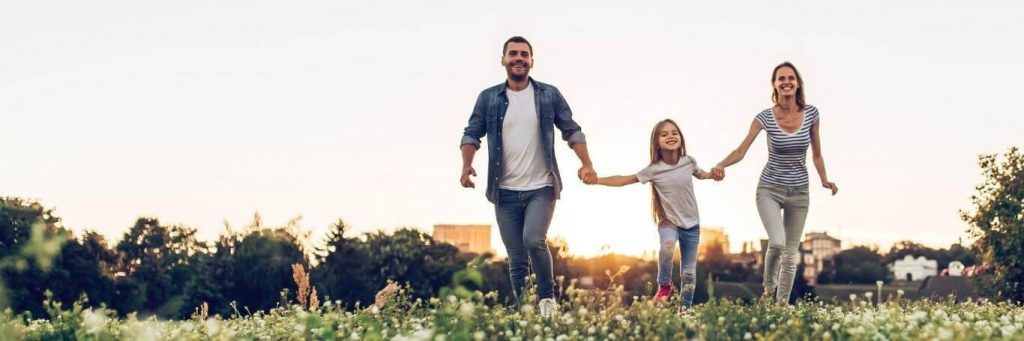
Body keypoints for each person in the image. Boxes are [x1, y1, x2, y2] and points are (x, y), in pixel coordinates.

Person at [459, 36, 597, 318]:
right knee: (516, 259)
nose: (518, 58)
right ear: (503, 60)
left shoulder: (549, 95)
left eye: (524, 54)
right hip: (504, 191)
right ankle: (524, 312)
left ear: (532, 61)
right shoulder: (488, 98)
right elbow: (471, 133)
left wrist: (586, 164)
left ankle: (547, 300)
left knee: (534, 239)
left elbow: (571, 130)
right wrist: (466, 165)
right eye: (513, 54)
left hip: (541, 186)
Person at [711, 62, 838, 304]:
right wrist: (721, 165)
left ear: (798, 83)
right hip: (770, 189)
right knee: (777, 242)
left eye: (791, 77)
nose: (786, 81)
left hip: (799, 193)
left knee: (791, 255)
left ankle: (780, 307)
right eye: (781, 78)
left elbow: (817, 154)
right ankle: (768, 289)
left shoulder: (812, 114)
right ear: (775, 85)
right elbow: (741, 150)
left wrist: (824, 179)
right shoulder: (764, 118)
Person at [592, 119, 717, 312]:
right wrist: (597, 180)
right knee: (667, 248)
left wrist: (714, 174)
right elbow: (625, 179)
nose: (671, 136)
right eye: (664, 134)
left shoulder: (689, 162)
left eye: (674, 132)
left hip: (692, 226)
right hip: (669, 223)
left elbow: (702, 174)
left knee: (689, 274)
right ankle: (665, 286)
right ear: (656, 142)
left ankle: (684, 310)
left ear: (681, 139)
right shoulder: (654, 170)